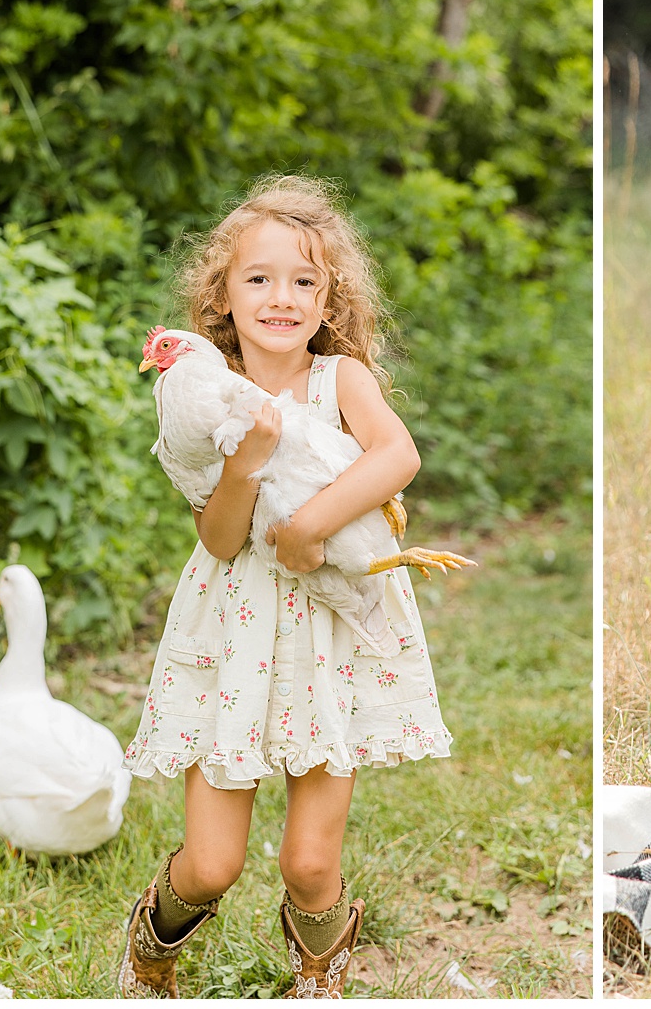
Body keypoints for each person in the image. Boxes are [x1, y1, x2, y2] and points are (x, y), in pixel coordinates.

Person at [119, 175, 452, 997]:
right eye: (259, 279)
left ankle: (319, 971)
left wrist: (309, 527)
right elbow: (221, 538)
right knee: (210, 864)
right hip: (232, 628)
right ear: (222, 294)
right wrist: (247, 461)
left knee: (308, 864)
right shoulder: (201, 398)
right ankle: (150, 950)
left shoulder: (340, 382)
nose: (282, 297)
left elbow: (396, 457)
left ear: (328, 295)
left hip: (326, 638)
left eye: (305, 281)